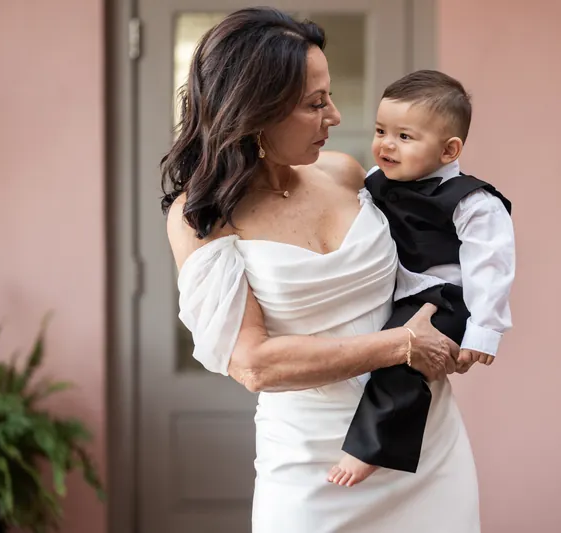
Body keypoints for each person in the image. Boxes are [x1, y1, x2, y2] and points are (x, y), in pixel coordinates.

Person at [162, 8, 481, 533]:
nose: (334, 115)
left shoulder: (345, 172)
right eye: (314, 103)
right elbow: (254, 364)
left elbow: (431, 270)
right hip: (313, 469)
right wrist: (402, 345)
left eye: (328, 95)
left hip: (422, 444)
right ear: (255, 110)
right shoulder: (203, 219)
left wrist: (459, 330)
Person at [332, 70, 516, 485]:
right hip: (398, 295)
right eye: (381, 130)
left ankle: (371, 448)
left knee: (400, 360)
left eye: (405, 136)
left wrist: (483, 330)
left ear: (450, 150)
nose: (386, 144)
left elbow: (491, 265)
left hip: (446, 299)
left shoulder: (473, 201)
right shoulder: (374, 182)